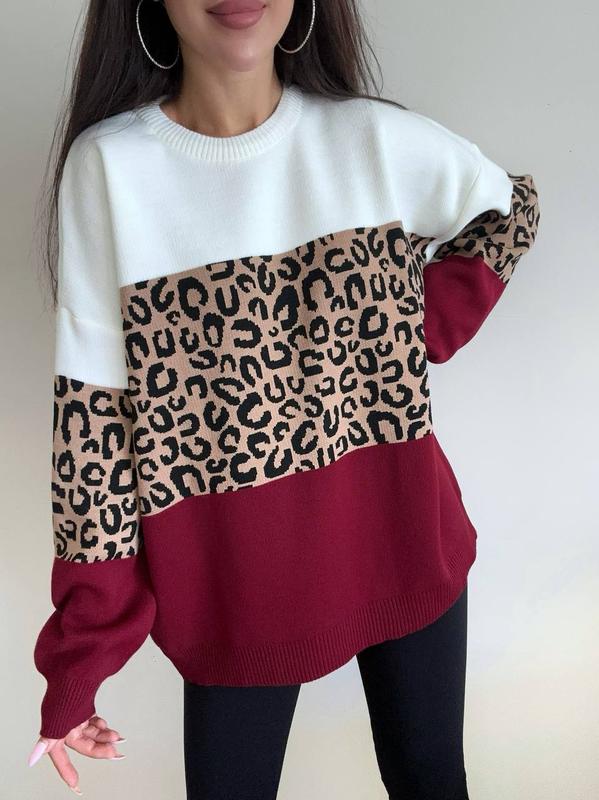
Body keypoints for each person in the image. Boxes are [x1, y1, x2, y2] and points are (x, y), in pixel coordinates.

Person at [27, 0, 540, 797]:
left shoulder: (371, 137)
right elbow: (94, 425)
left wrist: (412, 331)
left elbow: (507, 209)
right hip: (237, 591)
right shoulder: (112, 169)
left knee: (431, 779)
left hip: (405, 537)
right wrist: (79, 660)